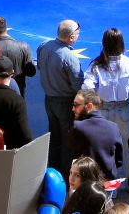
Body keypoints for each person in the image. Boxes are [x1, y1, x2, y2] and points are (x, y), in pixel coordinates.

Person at [82, 28, 129, 170]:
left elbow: (86, 88)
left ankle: (105, 182)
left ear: (104, 44)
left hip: (103, 110)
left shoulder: (96, 65)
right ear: (121, 44)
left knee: (102, 146)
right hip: (123, 110)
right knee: (126, 145)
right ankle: (127, 183)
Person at [38, 19, 85, 178]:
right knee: (67, 142)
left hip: (49, 100)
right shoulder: (70, 57)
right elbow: (77, 85)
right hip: (65, 104)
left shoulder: (43, 46)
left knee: (54, 138)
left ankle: (51, 173)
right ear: (71, 37)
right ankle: (64, 177)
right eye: (77, 33)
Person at [69, 89, 123, 179]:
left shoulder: (77, 127)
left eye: (76, 105)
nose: (73, 109)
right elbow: (119, 161)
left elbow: (70, 156)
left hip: (85, 185)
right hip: (108, 185)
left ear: (89, 106)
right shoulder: (114, 127)